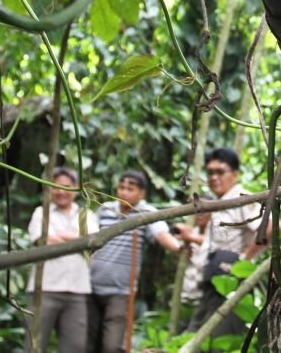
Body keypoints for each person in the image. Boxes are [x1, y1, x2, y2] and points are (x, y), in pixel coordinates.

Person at [87, 171, 183, 353]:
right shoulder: (105, 209)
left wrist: (178, 249)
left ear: (142, 193)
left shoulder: (145, 213)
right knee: (89, 341)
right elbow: (88, 236)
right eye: (121, 187)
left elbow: (161, 234)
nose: (124, 192)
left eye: (130, 189)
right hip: (91, 286)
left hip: (121, 291)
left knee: (112, 345)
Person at [183, 147, 270, 338]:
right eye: (210, 173)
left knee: (218, 337)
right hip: (214, 278)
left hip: (231, 280)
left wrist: (244, 259)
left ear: (235, 174)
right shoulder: (218, 202)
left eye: (220, 172)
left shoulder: (241, 199)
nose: (214, 177)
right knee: (201, 336)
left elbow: (271, 227)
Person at [25, 167, 97, 353]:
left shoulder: (87, 215)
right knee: (34, 345)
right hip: (44, 288)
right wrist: (76, 240)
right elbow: (41, 241)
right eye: (55, 187)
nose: (61, 192)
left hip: (77, 290)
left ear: (76, 188)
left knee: (74, 346)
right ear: (49, 189)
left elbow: (91, 244)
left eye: (66, 187)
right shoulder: (41, 213)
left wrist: (59, 237)